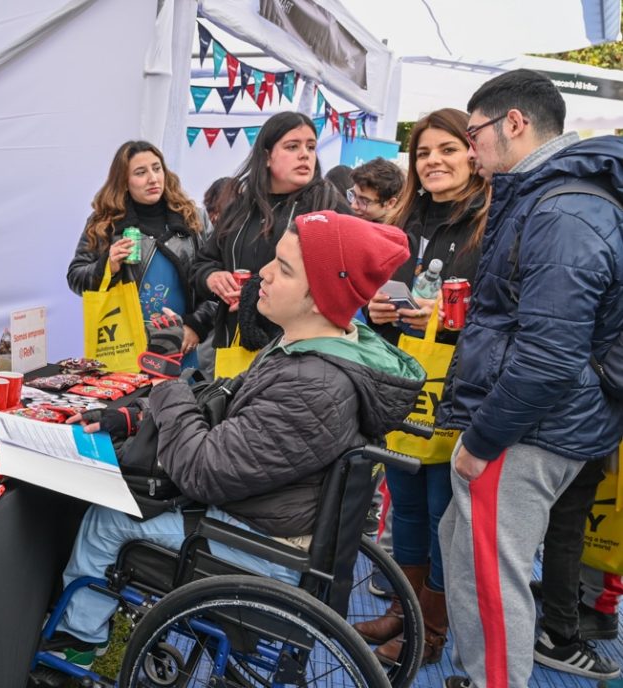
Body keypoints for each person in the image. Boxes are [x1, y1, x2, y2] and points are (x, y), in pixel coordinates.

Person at [45, 210, 424, 669]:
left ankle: (78, 641)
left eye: (283, 268)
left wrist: (166, 385)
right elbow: (221, 400)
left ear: (320, 295)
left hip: (261, 547)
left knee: (107, 516)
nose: (262, 273)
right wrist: (137, 413)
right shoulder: (311, 349)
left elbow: (203, 471)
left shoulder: (314, 384)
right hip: (268, 515)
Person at [437, 68, 623, 688]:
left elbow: (548, 355)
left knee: (492, 578)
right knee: (471, 557)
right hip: (548, 419)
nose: (470, 150)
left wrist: (482, 441)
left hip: (531, 426)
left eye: (473, 134)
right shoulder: (560, 196)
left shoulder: (563, 208)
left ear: (513, 123)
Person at [353, 108, 489, 667]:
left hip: (461, 389)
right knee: (404, 502)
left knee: (440, 513)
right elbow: (377, 297)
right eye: (424, 153)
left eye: (447, 150)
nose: (433, 161)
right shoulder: (408, 221)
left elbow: (512, 312)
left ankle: (429, 632)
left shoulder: (495, 220)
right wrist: (377, 309)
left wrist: (450, 314)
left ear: (474, 154)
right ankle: (403, 613)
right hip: (403, 379)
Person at [192, 111, 351, 355]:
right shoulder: (240, 206)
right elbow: (204, 261)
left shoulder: (326, 205)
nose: (304, 155)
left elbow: (342, 276)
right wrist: (212, 277)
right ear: (266, 156)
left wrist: (256, 291)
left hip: (295, 349)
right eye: (292, 146)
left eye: (310, 147)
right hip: (233, 343)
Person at [67, 140, 216, 368]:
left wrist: (197, 325)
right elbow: (75, 277)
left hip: (185, 345)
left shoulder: (194, 219)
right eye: (140, 172)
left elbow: (217, 277)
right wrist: (107, 267)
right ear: (124, 182)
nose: (153, 178)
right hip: (125, 347)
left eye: (157, 169)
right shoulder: (104, 224)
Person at [349, 157, 405, 222]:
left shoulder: (403, 230)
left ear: (390, 203)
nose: (353, 206)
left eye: (364, 201)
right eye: (354, 195)